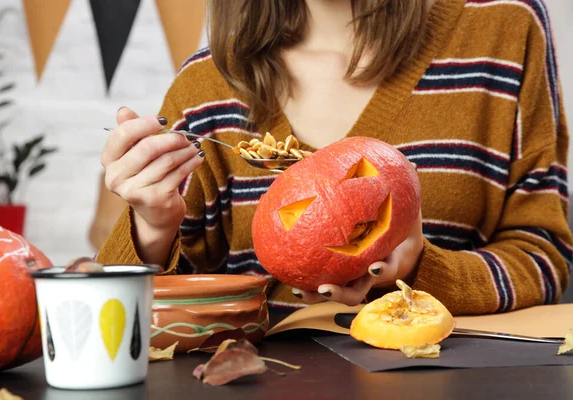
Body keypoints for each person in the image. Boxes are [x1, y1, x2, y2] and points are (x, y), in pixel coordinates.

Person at [96, 0, 572, 315]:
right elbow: (134, 314)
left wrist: (421, 269)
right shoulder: (206, 85)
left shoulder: (504, 30)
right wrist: (152, 230)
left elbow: (545, 256)